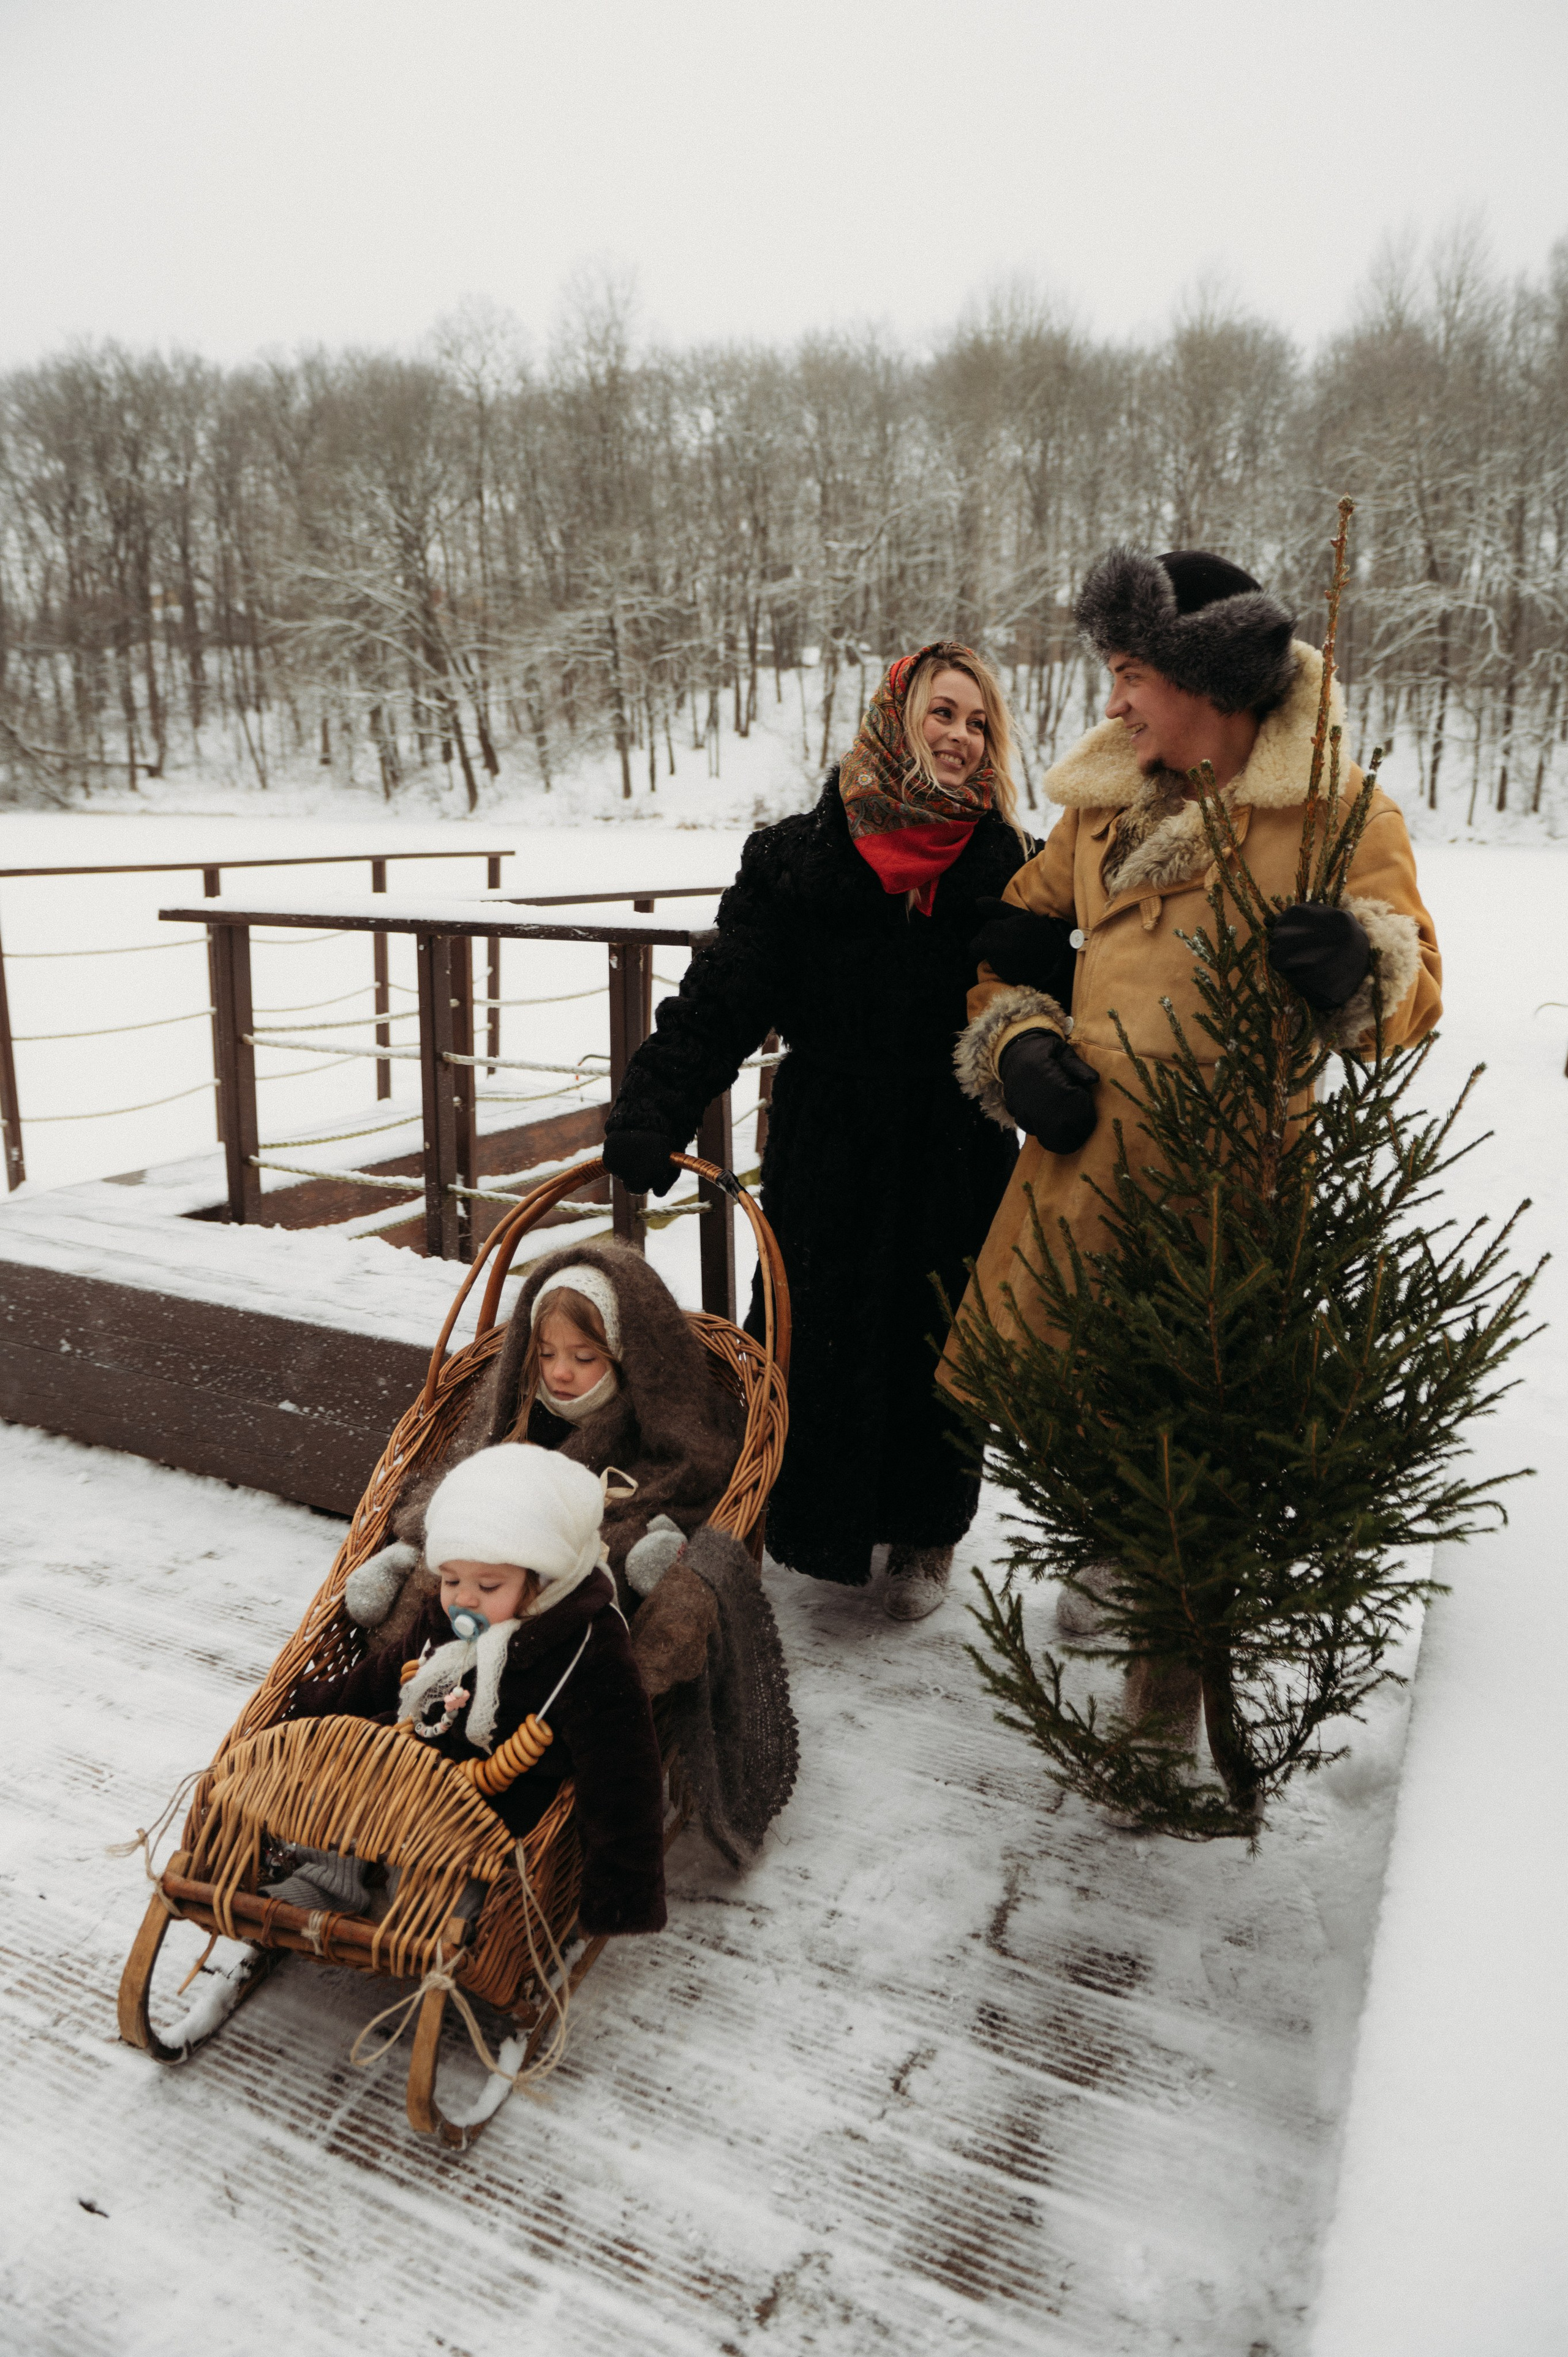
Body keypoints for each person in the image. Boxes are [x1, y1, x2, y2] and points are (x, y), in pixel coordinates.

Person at [944, 547, 1442, 1737]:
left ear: (1203, 676)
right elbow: (1006, 948)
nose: (1110, 702)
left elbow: (1415, 993)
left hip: (1228, 1195)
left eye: (1127, 674)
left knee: (1196, 1445)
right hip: (1083, 1173)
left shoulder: (1334, 810)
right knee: (1087, 1413)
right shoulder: (1100, 801)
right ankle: (1114, 1555)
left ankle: (1160, 1714)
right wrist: (1015, 1044)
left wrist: (1361, 967)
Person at [600, 644, 1059, 1618]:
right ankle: (796, 1515)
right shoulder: (798, 858)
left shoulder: (1012, 868)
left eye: (979, 724)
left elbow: (1059, 1001)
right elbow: (723, 997)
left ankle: (926, 1534)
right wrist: (652, 1108)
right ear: (894, 720)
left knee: (942, 1340)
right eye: (942, 713)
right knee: (811, 1334)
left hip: (954, 1142)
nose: (960, 737)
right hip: (829, 1140)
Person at [348, 1242, 799, 1863]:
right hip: (477, 1582)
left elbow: (685, 1480)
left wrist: (655, 1535)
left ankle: (489, 1748)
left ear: (624, 1356)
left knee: (591, 1580)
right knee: (438, 1577)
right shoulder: (518, 1413)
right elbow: (460, 1481)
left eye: (584, 1357)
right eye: (547, 1354)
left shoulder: (644, 1417)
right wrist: (414, 1540)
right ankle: (387, 1729)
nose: (560, 1372)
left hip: (564, 1585)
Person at [271, 1443, 667, 1937]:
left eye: (488, 1585)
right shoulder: (447, 1616)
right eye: (451, 1579)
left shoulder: (587, 1644)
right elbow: (386, 1671)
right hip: (414, 1765)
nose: (464, 1598)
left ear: (543, 1581)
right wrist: (313, 1709)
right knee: (346, 1778)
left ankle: (429, 1918)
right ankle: (327, 1881)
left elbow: (622, 1762)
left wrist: (623, 1888)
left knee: (442, 1873)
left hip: (492, 1801)